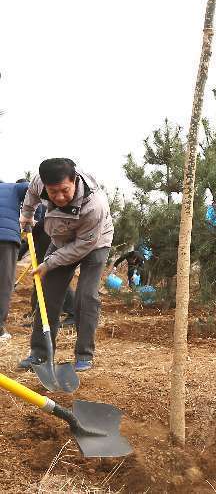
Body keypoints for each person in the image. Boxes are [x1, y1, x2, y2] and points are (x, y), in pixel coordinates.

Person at [17, 159, 114, 373]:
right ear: (45, 185)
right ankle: (40, 354)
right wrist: (27, 214)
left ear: (74, 180)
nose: (59, 197)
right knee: (47, 296)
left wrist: (49, 262)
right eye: (53, 192)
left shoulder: (94, 205)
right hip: (61, 239)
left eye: (65, 190)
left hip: (94, 243)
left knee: (86, 296)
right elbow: (32, 194)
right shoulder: (39, 182)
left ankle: (84, 354)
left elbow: (82, 246)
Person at [17, 193, 77, 327]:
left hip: (50, 241)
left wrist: (20, 252)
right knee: (38, 279)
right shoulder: (34, 205)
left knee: (54, 280)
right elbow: (31, 234)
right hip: (41, 242)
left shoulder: (40, 205)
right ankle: (36, 313)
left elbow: (34, 230)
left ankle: (73, 313)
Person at [0, 179, 29, 340]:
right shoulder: (13, 187)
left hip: (7, 237)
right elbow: (32, 188)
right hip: (6, 239)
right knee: (4, 284)